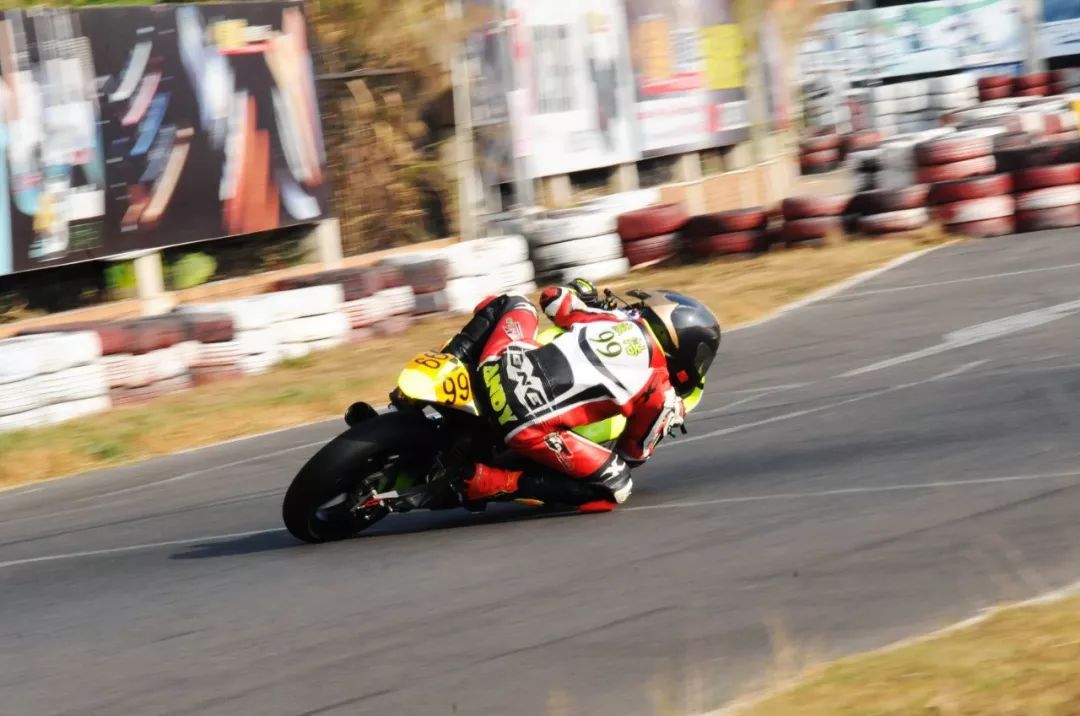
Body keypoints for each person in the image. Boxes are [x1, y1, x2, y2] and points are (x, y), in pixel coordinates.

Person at [442, 278, 721, 512]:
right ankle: (492, 482)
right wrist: (666, 418)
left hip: (497, 366)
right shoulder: (660, 390)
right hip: (524, 423)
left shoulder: (615, 318)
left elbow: (552, 297)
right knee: (617, 485)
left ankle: (448, 362)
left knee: (515, 302)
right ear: (683, 350)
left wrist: (583, 294)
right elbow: (633, 454)